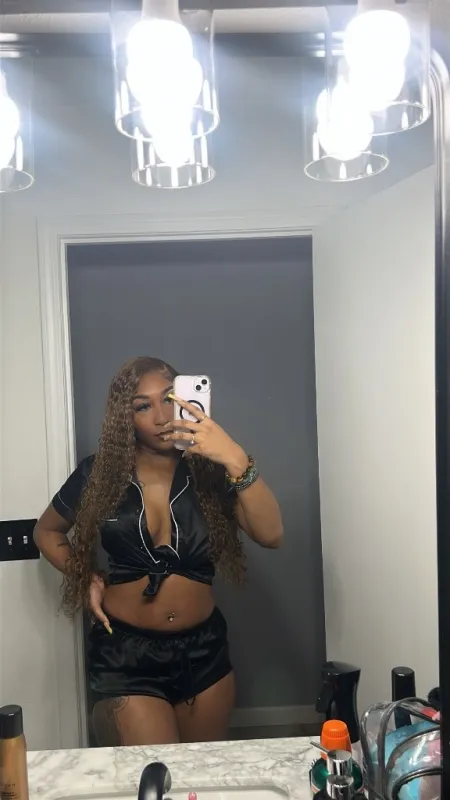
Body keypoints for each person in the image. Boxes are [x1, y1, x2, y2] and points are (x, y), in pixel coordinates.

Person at [34, 356, 283, 746]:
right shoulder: (98, 474)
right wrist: (88, 578)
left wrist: (234, 456)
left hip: (204, 653)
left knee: (200, 771)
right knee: (155, 769)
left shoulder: (212, 470)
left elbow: (271, 535)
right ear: (126, 418)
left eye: (168, 398)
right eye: (142, 406)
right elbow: (46, 532)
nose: (161, 415)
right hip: (126, 655)